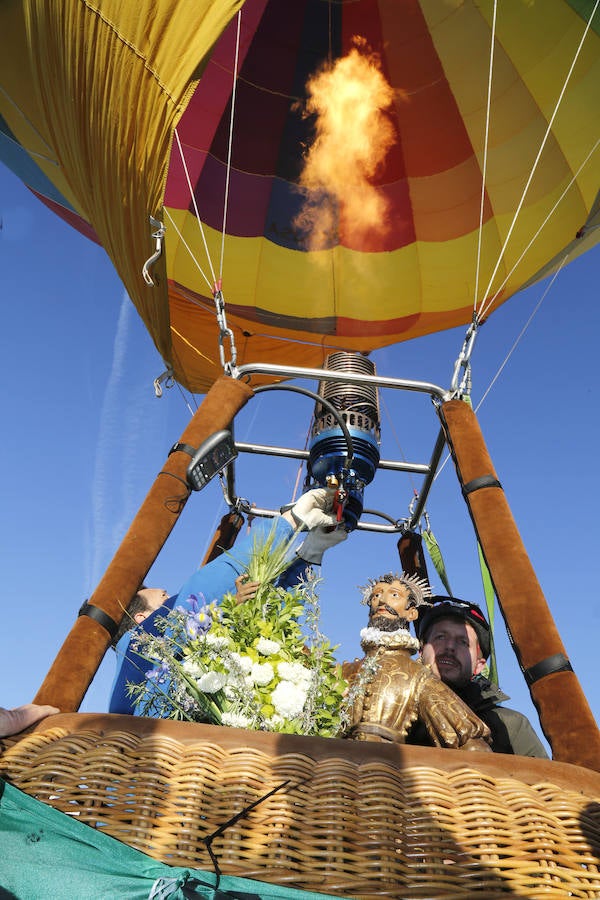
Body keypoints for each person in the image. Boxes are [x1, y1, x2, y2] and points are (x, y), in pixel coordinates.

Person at [109, 488, 347, 715]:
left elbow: (274, 620)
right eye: (164, 599)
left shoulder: (197, 645)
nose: (167, 593)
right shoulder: (134, 646)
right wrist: (289, 522)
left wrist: (311, 554)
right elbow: (197, 598)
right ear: (141, 619)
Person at [340, 574, 491, 750]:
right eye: (376, 595)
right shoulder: (345, 671)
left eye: (394, 595)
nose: (382, 601)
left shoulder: (417, 677)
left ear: (411, 613)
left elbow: (472, 746)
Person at [415, 597, 549, 758]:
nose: (450, 647)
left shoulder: (510, 725)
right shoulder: (389, 710)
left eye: (463, 642)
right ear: (420, 653)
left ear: (479, 665)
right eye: (440, 637)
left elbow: (547, 781)